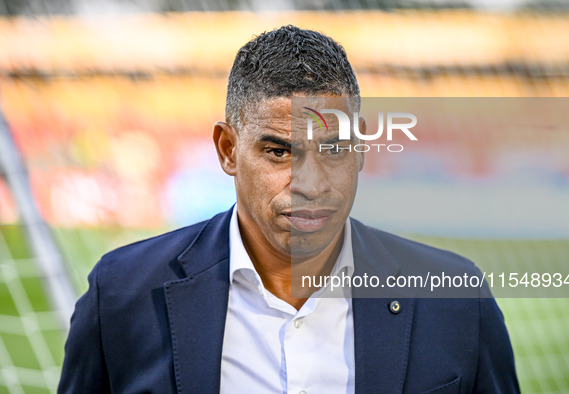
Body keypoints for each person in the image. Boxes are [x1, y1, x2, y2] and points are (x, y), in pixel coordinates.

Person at [58, 25, 519, 393]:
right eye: (279, 152)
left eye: (334, 149)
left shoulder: (458, 300)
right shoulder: (121, 294)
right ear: (227, 150)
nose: (312, 185)